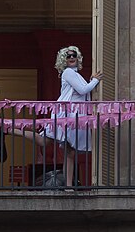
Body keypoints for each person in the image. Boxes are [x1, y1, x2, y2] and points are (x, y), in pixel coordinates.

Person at [43, 46, 103, 186]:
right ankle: (68, 186)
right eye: (68, 56)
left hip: (73, 114)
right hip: (68, 114)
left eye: (73, 55)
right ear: (64, 60)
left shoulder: (75, 74)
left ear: (78, 57)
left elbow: (82, 92)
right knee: (65, 150)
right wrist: (95, 80)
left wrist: (90, 81)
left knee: (67, 151)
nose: (71, 58)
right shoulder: (69, 72)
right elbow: (83, 90)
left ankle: (68, 185)